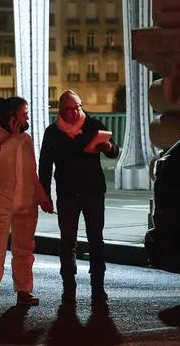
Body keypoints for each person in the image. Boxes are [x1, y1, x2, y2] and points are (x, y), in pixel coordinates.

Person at [39, 89, 121, 305]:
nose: (74, 113)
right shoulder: (53, 133)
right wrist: (44, 194)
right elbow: (45, 165)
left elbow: (114, 151)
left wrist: (108, 147)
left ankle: (98, 287)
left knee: (96, 239)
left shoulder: (93, 125)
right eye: (69, 110)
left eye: (77, 108)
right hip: (67, 193)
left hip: (93, 190)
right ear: (61, 111)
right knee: (67, 241)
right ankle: (69, 287)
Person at [0, 96, 54, 308]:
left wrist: (41, 197)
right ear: (12, 116)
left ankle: (24, 290)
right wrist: (12, 137)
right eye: (24, 114)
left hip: (26, 202)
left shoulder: (26, 139)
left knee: (24, 249)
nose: (27, 117)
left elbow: (31, 172)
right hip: (0, 201)